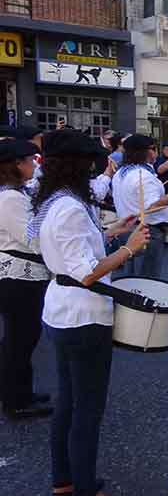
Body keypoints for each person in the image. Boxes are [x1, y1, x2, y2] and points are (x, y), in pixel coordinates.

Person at [29, 128, 149, 496]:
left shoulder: (55, 200)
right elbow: (86, 273)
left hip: (61, 312)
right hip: (83, 317)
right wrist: (129, 248)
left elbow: (75, 252)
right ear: (78, 166)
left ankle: (63, 480)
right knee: (87, 409)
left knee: (68, 401)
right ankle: (82, 485)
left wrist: (112, 232)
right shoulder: (69, 208)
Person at [0, 140, 53, 420]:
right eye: (30, 161)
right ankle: (15, 400)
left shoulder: (15, 194)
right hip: (18, 276)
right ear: (16, 165)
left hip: (22, 275)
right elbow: (32, 239)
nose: (34, 165)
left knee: (24, 336)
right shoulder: (10, 198)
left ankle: (22, 391)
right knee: (19, 339)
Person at [111, 135, 168, 278]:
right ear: (149, 151)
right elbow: (152, 206)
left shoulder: (121, 173)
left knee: (130, 276)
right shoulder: (144, 176)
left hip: (125, 226)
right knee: (146, 278)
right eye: (154, 149)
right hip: (146, 230)